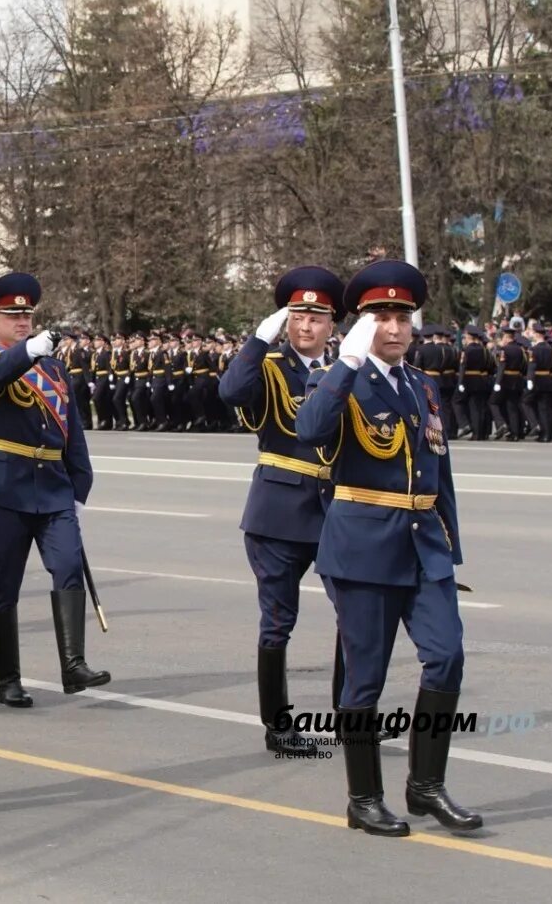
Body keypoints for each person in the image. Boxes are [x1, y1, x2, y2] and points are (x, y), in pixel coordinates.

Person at [296, 260, 480, 837]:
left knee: (446, 654)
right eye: (381, 316)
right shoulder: (338, 379)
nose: (394, 328)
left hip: (423, 545)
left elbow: (438, 471)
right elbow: (310, 431)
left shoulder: (423, 385)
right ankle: (363, 798)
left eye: (402, 316)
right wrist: (346, 362)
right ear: (360, 325)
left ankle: (425, 787)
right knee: (365, 681)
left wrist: (451, 546)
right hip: (364, 549)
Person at [0, 273, 108, 709]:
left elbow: (72, 428)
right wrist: (28, 352)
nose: (22, 321)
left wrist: (80, 485)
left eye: (27, 314)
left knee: (67, 566)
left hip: (54, 486)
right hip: (4, 486)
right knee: (5, 584)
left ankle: (73, 664)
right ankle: (8, 679)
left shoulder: (53, 366)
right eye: (12, 315)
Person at [218, 266, 344, 757]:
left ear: (332, 324)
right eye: (298, 316)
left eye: (317, 317)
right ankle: (279, 725)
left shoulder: (343, 370)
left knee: (355, 617)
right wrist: (256, 341)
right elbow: (230, 393)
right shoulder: (269, 367)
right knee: (277, 622)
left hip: (337, 511)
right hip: (279, 510)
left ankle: (350, 716)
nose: (306, 326)